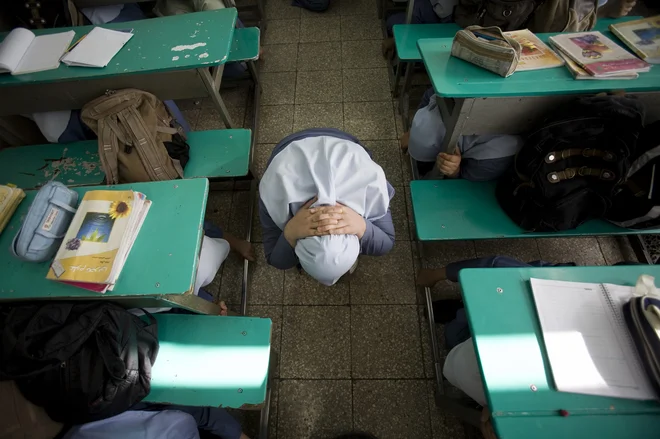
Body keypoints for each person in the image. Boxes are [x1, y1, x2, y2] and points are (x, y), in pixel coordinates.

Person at [259, 129, 395, 286]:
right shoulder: (271, 191)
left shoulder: (370, 179)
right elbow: (386, 242)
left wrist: (290, 233)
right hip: (334, 146)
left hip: (337, 148)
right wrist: (363, 227)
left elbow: (276, 258)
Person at [401, 88, 524, 180]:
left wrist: (454, 171)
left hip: (484, 158)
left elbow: (464, 177)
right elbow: (431, 94)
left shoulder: (492, 159)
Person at [382, 0, 457, 60]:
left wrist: (396, 39)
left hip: (444, 17)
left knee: (391, 24)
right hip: (435, 8)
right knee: (391, 22)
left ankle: (408, 45)